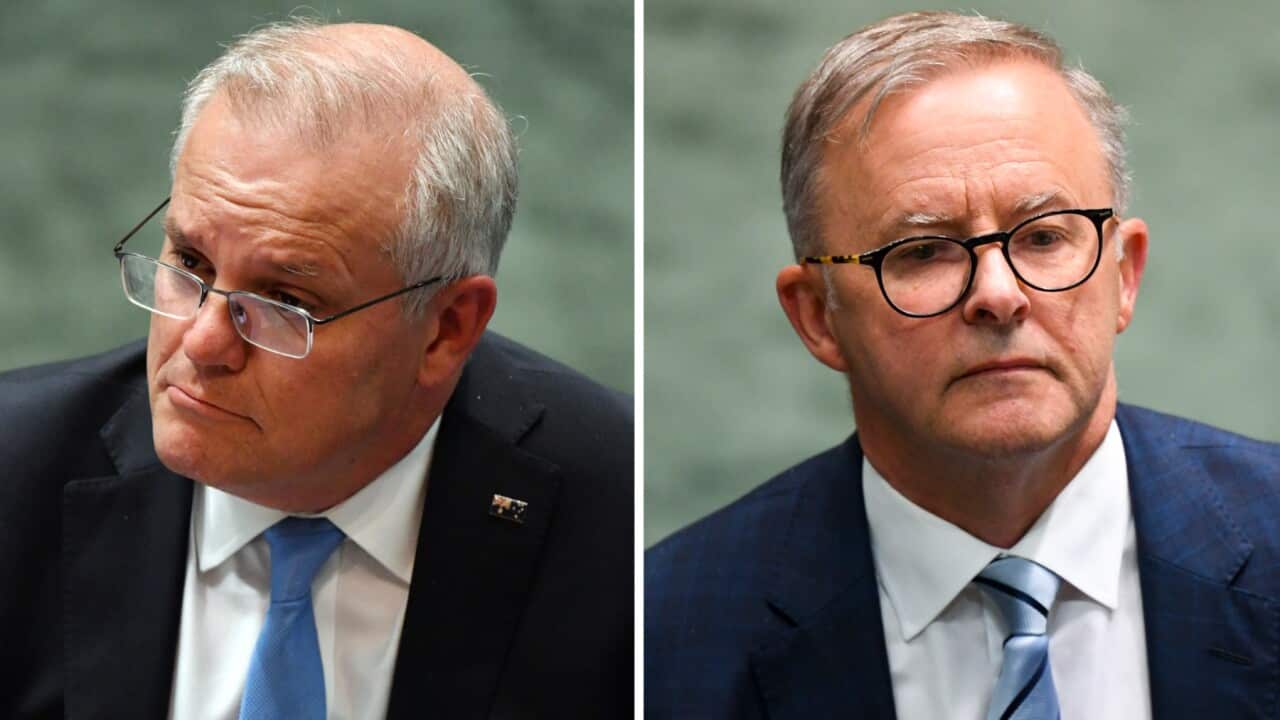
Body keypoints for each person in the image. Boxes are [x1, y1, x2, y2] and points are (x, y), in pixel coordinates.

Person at [646, 11, 1280, 719]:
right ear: (818, 316)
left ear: (1123, 275)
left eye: (1043, 237)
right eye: (921, 252)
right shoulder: (662, 640)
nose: (999, 296)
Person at [0, 19, 632, 719]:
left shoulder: (619, 533)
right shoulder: (14, 471)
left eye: (284, 301)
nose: (204, 342)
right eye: (191, 264)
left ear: (446, 330)